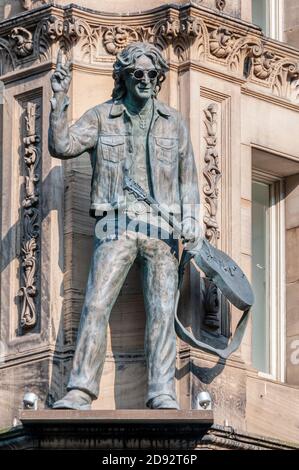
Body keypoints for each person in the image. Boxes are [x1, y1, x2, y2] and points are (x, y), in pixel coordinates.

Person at [49, 42, 200, 410]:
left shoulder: (174, 123)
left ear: (160, 77)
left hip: (163, 230)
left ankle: (162, 390)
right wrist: (59, 100)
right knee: (96, 304)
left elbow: (189, 180)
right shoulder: (103, 117)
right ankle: (81, 389)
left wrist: (193, 221)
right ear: (125, 77)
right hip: (115, 225)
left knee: (163, 312)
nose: (146, 80)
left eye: (152, 74)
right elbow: (61, 145)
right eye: (138, 74)